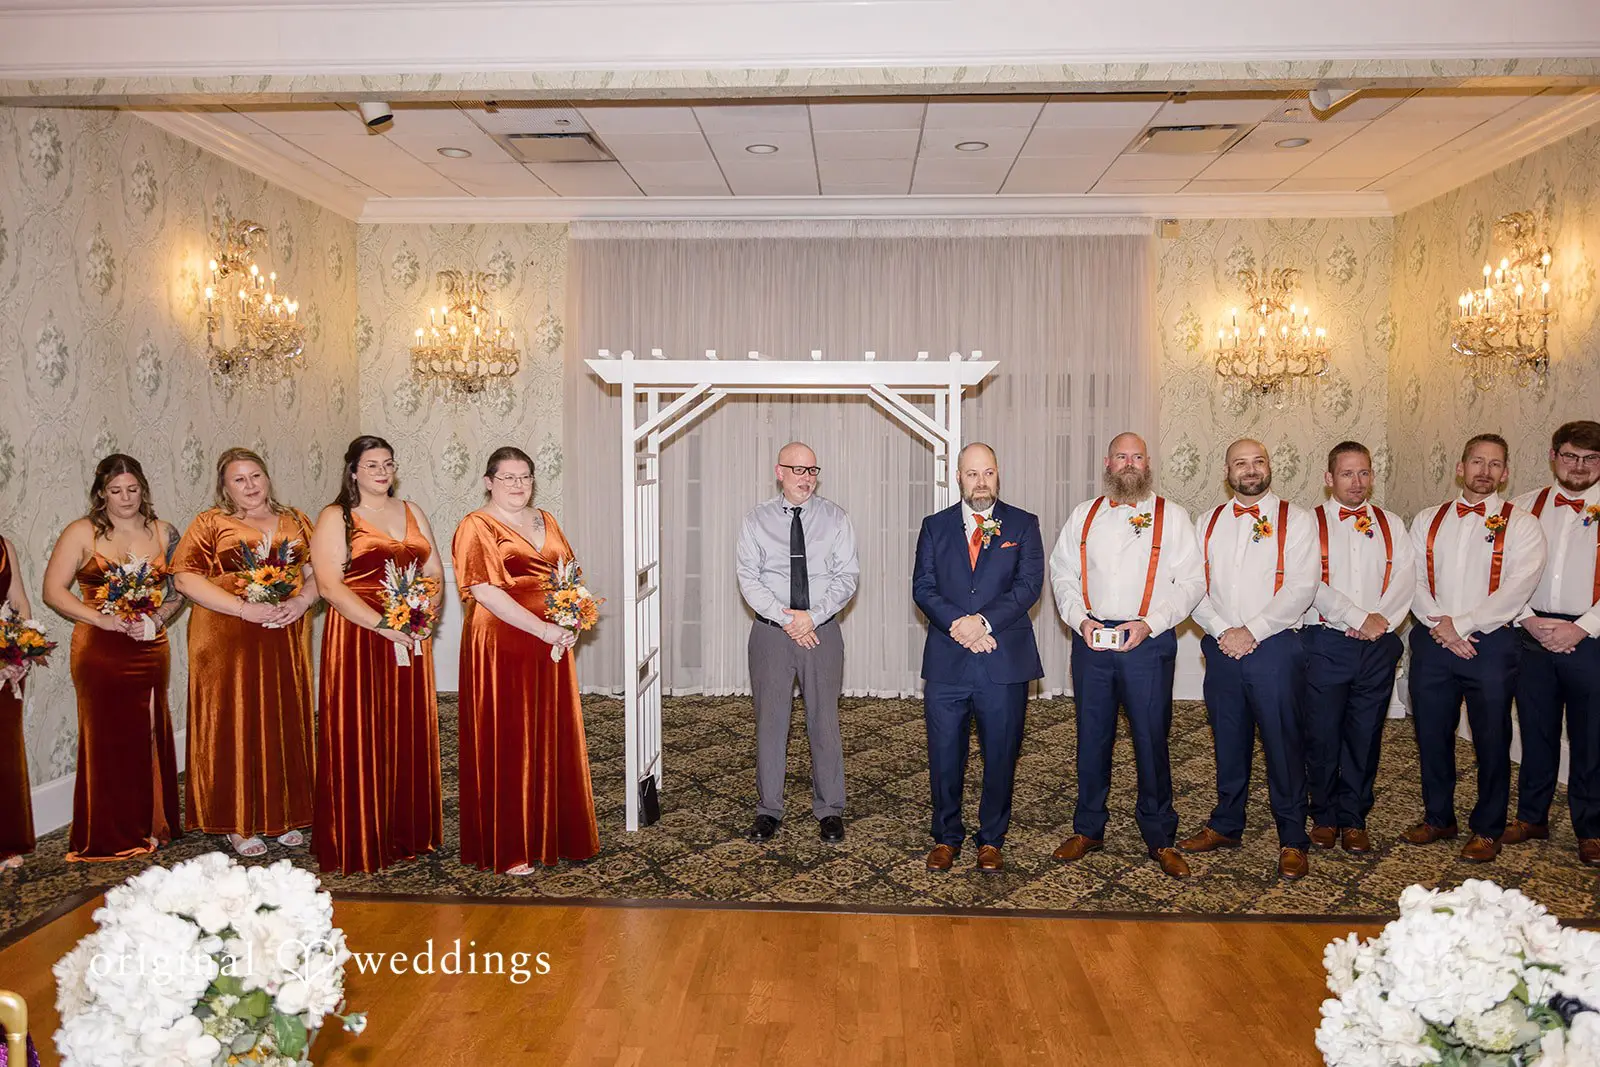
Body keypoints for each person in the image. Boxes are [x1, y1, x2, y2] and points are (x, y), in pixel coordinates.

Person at [1047, 432, 1204, 878]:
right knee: (1091, 738)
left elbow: (1192, 582)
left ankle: (1160, 836)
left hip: (1148, 644)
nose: (1130, 463)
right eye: (1121, 456)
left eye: (1137, 456)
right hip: (1092, 642)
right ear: (1107, 463)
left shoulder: (1172, 517)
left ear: (1148, 462)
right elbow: (1063, 574)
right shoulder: (1085, 514)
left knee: (1151, 740)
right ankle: (1089, 828)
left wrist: (1150, 624)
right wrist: (1082, 621)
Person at [454, 446, 600, 872]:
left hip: (550, 641)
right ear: (488, 482)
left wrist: (573, 616)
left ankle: (554, 833)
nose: (518, 486)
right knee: (510, 736)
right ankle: (510, 845)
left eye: (525, 477)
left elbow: (567, 575)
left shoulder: (546, 519)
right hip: (502, 641)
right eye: (508, 478)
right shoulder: (476, 525)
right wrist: (543, 629)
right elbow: (484, 590)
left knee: (550, 731)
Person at [172, 448, 320, 859]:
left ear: (267, 477)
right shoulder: (210, 523)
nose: (251, 485)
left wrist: (303, 601)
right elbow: (184, 579)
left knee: (281, 715)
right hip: (225, 634)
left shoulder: (295, 520)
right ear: (225, 486)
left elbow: (317, 572)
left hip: (284, 630)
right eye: (239, 479)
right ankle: (236, 821)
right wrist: (243, 608)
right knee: (233, 719)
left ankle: (282, 812)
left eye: (256, 475)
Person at [1404, 433, 1545, 863]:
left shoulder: (1523, 524)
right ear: (1460, 468)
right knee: (1431, 733)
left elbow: (1519, 588)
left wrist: (1462, 626)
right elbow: (1413, 582)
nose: (1485, 471)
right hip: (1432, 639)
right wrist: (1442, 627)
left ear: (1505, 472)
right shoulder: (1427, 519)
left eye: (1495, 464)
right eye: (1477, 462)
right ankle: (1438, 816)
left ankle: (1488, 828)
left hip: (1492, 642)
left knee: (1491, 736)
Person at [1182, 439, 1318, 880]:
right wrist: (1224, 631)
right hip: (1222, 646)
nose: (1251, 470)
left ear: (1270, 466)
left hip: (1275, 645)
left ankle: (1293, 837)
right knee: (1228, 739)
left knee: (1283, 743)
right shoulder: (1207, 522)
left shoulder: (1296, 520)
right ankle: (1227, 823)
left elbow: (1301, 586)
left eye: (1258, 461)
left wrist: (1252, 631)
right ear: (1227, 472)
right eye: (1241, 464)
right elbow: (1192, 586)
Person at [310, 436, 445, 874]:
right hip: (359, 635)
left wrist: (421, 615)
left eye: (387, 463)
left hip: (410, 632)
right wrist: (382, 625)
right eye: (371, 465)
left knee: (406, 727)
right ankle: (362, 835)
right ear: (353, 471)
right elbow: (330, 586)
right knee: (362, 729)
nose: (382, 472)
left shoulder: (412, 511)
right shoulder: (337, 517)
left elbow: (434, 570)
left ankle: (407, 831)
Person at [41, 454, 185, 861]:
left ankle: (151, 823)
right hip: (99, 650)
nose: (126, 498)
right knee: (107, 738)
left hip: (149, 645)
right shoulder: (82, 531)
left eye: (133, 489)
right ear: (101, 493)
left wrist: (155, 620)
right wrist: (99, 619)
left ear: (143, 488)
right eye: (117, 491)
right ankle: (110, 832)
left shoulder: (163, 531)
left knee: (150, 733)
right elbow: (53, 591)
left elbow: (178, 591)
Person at [912, 442, 1043, 873]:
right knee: (945, 754)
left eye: (988, 472)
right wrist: (960, 626)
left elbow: (1028, 586)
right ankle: (947, 837)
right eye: (972, 474)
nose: (981, 481)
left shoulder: (1023, 524)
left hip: (1003, 660)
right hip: (949, 661)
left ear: (998, 474)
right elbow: (924, 588)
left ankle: (991, 838)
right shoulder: (935, 527)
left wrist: (982, 623)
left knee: (1001, 754)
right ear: (959, 478)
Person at [735, 441, 859, 843]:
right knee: (771, 722)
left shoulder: (836, 519)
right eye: (798, 470)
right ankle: (768, 809)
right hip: (772, 632)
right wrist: (788, 619)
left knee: (824, 721)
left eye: (812, 471)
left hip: (821, 631)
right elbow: (748, 578)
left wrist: (812, 617)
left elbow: (847, 577)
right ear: (779, 472)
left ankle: (830, 809)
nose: (807, 479)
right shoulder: (755, 521)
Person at [1302, 442, 1415, 854]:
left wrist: (1379, 620)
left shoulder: (1391, 524)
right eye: (1347, 474)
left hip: (1377, 644)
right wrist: (1355, 617)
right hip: (1325, 641)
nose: (1357, 482)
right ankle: (1324, 815)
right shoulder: (1307, 524)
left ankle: (1354, 817)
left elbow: (1406, 577)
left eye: (1364, 473)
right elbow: (1306, 581)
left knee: (1366, 733)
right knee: (1321, 733)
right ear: (1330, 478)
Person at [1508, 421, 1600, 867]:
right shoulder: (1523, 508)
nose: (1578, 467)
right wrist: (1526, 619)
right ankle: (1532, 817)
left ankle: (1592, 829)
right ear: (1553, 455)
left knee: (1591, 737)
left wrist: (1583, 627)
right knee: (1537, 730)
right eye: (1570, 456)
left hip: (1593, 635)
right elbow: (1504, 573)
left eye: (1590, 458)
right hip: (1532, 632)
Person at [0, 532, 35, 870]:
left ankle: (5, 842)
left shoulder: (4, 545)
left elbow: (20, 603)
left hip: (5, 668)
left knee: (4, 754)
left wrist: (17, 652)